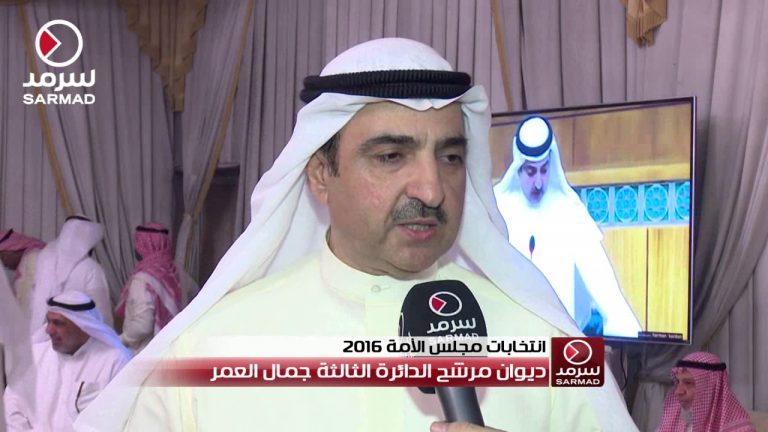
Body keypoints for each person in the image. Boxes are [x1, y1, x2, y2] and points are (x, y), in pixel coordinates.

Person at [75, 38, 637, 431]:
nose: (432, 189)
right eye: (391, 155)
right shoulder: (210, 350)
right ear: (321, 174)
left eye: (449, 156)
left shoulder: (553, 347)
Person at [493, 116, 642, 338]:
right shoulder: (497, 208)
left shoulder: (568, 212)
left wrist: (630, 333)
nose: (539, 183)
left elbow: (604, 285)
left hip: (559, 343)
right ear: (518, 169)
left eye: (544, 170)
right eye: (531, 172)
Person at [3, 291, 132, 431]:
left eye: (58, 323)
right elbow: (12, 407)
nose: (49, 330)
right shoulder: (35, 355)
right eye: (48, 321)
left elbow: (116, 419)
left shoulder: (115, 362)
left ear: (83, 326)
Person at [30, 216, 114, 332]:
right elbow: (101, 314)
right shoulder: (91, 269)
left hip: (40, 335)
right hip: (75, 337)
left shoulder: (45, 260)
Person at [115, 223, 182, 353]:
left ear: (143, 246)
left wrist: (121, 340)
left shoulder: (143, 280)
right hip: (173, 349)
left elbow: (143, 325)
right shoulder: (177, 273)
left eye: (138, 242)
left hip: (144, 354)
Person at [657, 352, 755, 432]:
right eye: (678, 382)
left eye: (688, 383)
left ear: (711, 388)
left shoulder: (741, 430)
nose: (678, 391)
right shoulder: (674, 422)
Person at [0, 229, 45, 312]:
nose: (5, 264)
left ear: (15, 247)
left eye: (3, 257)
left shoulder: (34, 258)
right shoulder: (24, 264)